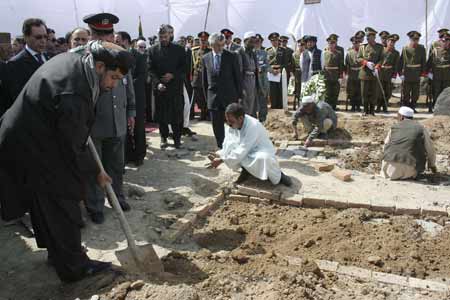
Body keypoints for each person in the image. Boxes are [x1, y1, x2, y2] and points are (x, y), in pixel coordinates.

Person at [0, 40, 133, 282]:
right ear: (100, 66)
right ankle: (75, 267)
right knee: (65, 199)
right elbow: (72, 145)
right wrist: (95, 171)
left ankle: (58, 254)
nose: (113, 86)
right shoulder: (75, 91)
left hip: (27, 139)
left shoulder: (78, 61)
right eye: (113, 78)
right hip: (33, 147)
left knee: (44, 203)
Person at [79, 13, 135, 224]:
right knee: (95, 167)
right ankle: (95, 205)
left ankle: (117, 198)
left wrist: (131, 113)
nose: (104, 38)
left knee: (117, 166)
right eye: (99, 34)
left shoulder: (121, 56)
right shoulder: (84, 60)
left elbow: (128, 90)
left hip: (117, 122)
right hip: (94, 126)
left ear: (113, 35)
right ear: (91, 35)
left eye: (108, 34)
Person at [209, 103, 292, 187]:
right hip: (245, 150)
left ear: (240, 118)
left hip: (259, 150)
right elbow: (228, 143)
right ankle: (246, 171)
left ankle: (279, 176)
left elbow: (242, 150)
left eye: (231, 122)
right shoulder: (232, 125)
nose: (229, 124)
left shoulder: (253, 125)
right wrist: (221, 154)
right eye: (227, 121)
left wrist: (221, 160)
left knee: (264, 159)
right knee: (231, 148)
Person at [148, 24, 186, 149]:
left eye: (165, 36)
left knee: (177, 115)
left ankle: (177, 138)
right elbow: (150, 69)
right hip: (160, 89)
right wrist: (158, 83)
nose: (163, 39)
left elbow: (184, 68)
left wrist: (173, 75)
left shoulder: (179, 49)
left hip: (175, 88)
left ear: (170, 35)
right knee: (161, 115)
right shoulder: (152, 50)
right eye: (161, 37)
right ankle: (163, 137)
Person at [202, 33, 242, 149]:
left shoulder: (232, 56)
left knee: (233, 124)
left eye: (222, 45)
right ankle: (221, 147)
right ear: (211, 45)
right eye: (217, 45)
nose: (220, 48)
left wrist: (239, 96)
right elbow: (204, 81)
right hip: (213, 98)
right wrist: (207, 99)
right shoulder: (206, 58)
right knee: (217, 125)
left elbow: (237, 78)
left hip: (230, 96)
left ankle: (235, 146)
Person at [115, 31, 148, 167]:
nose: (116, 43)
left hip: (137, 97)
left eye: (118, 40)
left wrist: (127, 83)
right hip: (122, 98)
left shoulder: (139, 57)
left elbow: (142, 77)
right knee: (124, 127)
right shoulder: (115, 57)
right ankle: (128, 154)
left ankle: (139, 155)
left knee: (138, 127)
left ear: (127, 42)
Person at [4, 18, 49, 110]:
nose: (43, 41)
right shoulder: (14, 64)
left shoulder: (50, 57)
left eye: (45, 37)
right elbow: (17, 98)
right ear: (25, 37)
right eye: (38, 37)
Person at [381, 106, 436, 180]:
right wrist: (432, 165)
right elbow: (430, 149)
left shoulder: (394, 127)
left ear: (401, 117)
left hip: (387, 170)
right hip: (409, 171)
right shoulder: (421, 128)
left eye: (398, 116)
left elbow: (385, 146)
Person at [357, 27, 383, 116]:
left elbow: (382, 59)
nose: (367, 38)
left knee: (374, 93)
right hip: (364, 73)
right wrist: (366, 62)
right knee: (364, 93)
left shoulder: (379, 47)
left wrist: (377, 66)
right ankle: (365, 110)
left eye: (369, 36)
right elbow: (358, 58)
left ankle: (372, 110)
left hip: (374, 73)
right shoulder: (362, 47)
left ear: (374, 37)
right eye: (367, 36)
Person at [399, 31, 427, 111]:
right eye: (413, 39)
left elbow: (423, 62)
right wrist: (400, 74)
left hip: (417, 74)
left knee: (416, 94)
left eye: (417, 39)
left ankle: (412, 107)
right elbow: (401, 61)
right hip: (407, 73)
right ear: (410, 39)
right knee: (406, 93)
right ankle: (406, 108)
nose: (415, 41)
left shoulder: (421, 48)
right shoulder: (405, 48)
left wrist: (423, 74)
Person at [427, 32, 450, 112]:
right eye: (443, 41)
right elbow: (429, 63)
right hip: (437, 76)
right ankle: (436, 108)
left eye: (447, 40)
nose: (445, 42)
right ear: (440, 41)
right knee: (436, 92)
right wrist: (429, 73)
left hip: (447, 77)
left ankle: (446, 108)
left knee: (446, 93)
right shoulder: (435, 51)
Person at [377, 34, 400, 113]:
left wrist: (394, 76)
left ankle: (385, 106)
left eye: (393, 42)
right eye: (390, 42)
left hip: (389, 74)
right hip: (381, 73)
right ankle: (378, 107)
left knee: (388, 92)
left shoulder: (396, 53)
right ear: (387, 42)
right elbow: (378, 61)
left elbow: (396, 65)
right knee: (380, 91)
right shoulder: (381, 50)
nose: (391, 44)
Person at [238, 31, 259, 117]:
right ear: (245, 41)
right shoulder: (240, 52)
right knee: (244, 103)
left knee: (251, 103)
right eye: (251, 41)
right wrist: (241, 87)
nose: (253, 44)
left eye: (254, 41)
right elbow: (239, 71)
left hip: (252, 80)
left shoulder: (252, 52)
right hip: (244, 80)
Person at [191, 31, 211, 121]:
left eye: (205, 40)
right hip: (197, 77)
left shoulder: (210, 51)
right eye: (201, 40)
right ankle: (202, 111)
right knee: (198, 97)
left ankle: (206, 113)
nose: (203, 42)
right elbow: (191, 65)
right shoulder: (194, 51)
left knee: (206, 95)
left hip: (206, 77)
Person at [266, 32, 287, 109]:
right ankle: (273, 106)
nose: (274, 42)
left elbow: (286, 63)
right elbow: (266, 63)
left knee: (280, 89)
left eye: (276, 40)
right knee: (272, 90)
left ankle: (280, 106)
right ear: (270, 41)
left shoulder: (283, 50)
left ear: (278, 41)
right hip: (271, 72)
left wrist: (280, 69)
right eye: (272, 40)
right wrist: (271, 69)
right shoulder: (267, 50)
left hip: (280, 72)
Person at [322, 34, 344, 110]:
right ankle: (327, 106)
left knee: (335, 92)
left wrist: (341, 75)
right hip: (327, 75)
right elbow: (322, 65)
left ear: (335, 44)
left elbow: (341, 65)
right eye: (330, 43)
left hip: (335, 74)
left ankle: (333, 106)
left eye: (333, 43)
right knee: (327, 92)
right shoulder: (324, 53)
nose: (331, 45)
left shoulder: (338, 53)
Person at [254, 33, 270, 122]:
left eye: (259, 42)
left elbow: (267, 65)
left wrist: (261, 67)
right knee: (253, 102)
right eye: (255, 42)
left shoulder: (264, 53)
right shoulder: (250, 52)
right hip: (253, 81)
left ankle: (262, 119)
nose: (257, 43)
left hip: (262, 80)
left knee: (263, 100)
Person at [345, 36, 362, 112]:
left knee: (359, 91)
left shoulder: (363, 51)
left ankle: (358, 106)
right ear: (352, 43)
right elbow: (347, 64)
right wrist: (346, 74)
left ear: (359, 43)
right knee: (352, 91)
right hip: (352, 74)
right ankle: (352, 106)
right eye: (354, 43)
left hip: (360, 73)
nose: (356, 44)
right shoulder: (349, 53)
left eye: (357, 42)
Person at [293, 38, 305, 109]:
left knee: (304, 88)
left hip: (305, 73)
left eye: (303, 45)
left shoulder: (307, 53)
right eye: (300, 45)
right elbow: (292, 65)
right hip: (297, 73)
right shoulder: (294, 54)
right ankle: (297, 103)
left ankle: (303, 103)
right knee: (297, 88)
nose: (301, 46)